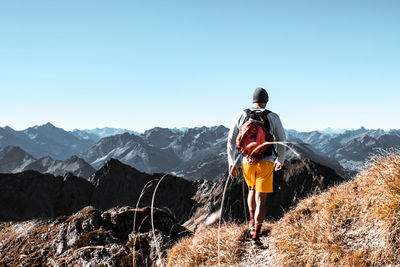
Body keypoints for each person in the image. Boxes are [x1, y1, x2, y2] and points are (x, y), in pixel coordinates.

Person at [227, 87, 286, 246]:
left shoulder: (240, 115)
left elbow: (231, 141)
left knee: (251, 190)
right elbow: (282, 140)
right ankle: (256, 236)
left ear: (252, 100)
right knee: (262, 199)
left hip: (246, 161)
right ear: (266, 101)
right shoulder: (272, 116)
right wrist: (280, 160)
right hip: (265, 162)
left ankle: (252, 222)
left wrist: (232, 162)